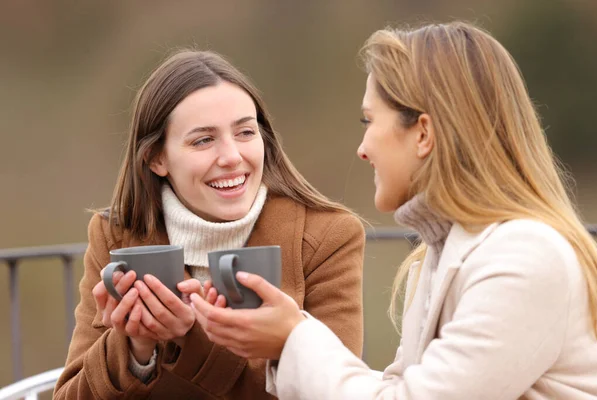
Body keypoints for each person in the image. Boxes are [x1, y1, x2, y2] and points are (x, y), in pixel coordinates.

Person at [191, 21, 597, 399]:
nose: (362, 148)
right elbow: (398, 389)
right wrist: (290, 334)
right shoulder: (444, 251)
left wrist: (293, 336)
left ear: (423, 133)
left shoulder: (523, 259)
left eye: (369, 120)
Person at [53, 50, 365, 399]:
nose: (232, 156)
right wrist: (136, 348)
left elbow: (335, 392)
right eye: (204, 140)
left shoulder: (328, 236)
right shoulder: (116, 234)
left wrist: (192, 337)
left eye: (245, 132)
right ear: (157, 158)